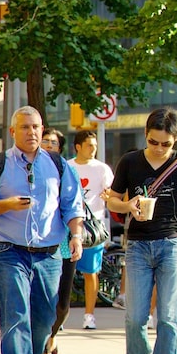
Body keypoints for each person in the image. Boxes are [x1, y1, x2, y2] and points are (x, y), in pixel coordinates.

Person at [0, 106, 84, 354]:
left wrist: (76, 235)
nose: (32, 132)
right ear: (12, 132)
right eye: (25, 127)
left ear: (42, 129)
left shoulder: (58, 164)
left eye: (36, 127)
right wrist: (6, 204)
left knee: (45, 318)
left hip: (49, 253)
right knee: (16, 314)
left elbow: (72, 205)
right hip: (9, 249)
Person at [105, 108, 177, 354]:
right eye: (153, 142)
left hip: (172, 243)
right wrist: (128, 206)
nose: (159, 148)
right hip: (138, 245)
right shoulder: (130, 161)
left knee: (168, 317)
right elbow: (113, 201)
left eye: (166, 143)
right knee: (135, 316)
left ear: (176, 139)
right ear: (145, 135)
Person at [38, 128, 76, 354]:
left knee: (62, 304)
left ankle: (52, 336)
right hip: (39, 246)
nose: (49, 145)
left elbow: (76, 206)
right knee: (42, 301)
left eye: (53, 142)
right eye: (45, 141)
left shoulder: (67, 170)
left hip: (65, 245)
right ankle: (43, 349)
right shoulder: (30, 169)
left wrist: (77, 236)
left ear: (60, 148)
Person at [70, 130, 114, 331]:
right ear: (78, 146)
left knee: (91, 272)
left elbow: (112, 193)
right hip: (68, 226)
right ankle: (58, 314)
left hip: (92, 228)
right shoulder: (68, 167)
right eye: (89, 145)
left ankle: (89, 315)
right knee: (63, 273)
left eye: (95, 146)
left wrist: (109, 196)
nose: (93, 149)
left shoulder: (102, 169)